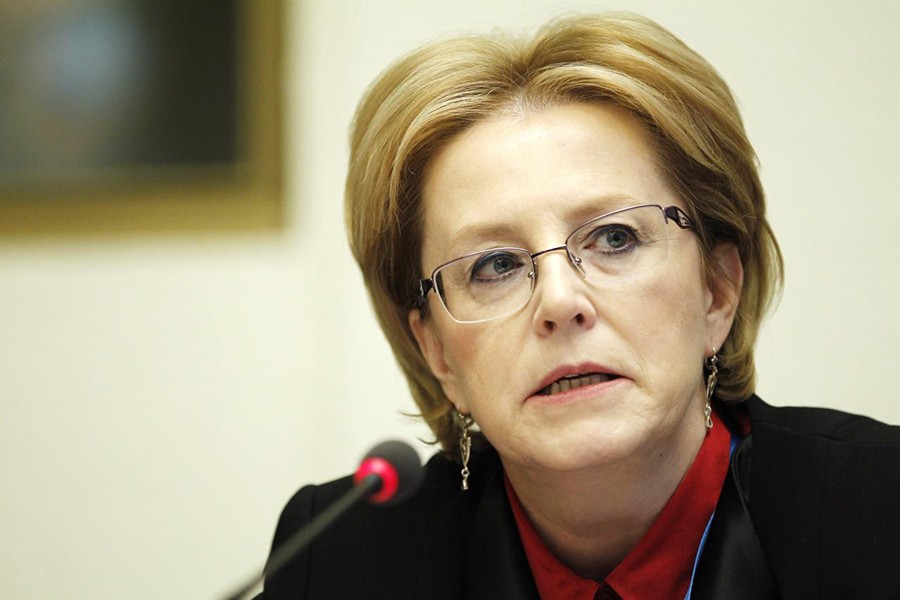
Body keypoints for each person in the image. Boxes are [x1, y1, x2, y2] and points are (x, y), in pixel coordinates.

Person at [259, 12, 900, 599]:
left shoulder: (879, 512)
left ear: (717, 291)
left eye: (614, 238)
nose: (561, 302)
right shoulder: (335, 560)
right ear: (437, 351)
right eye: (495, 266)